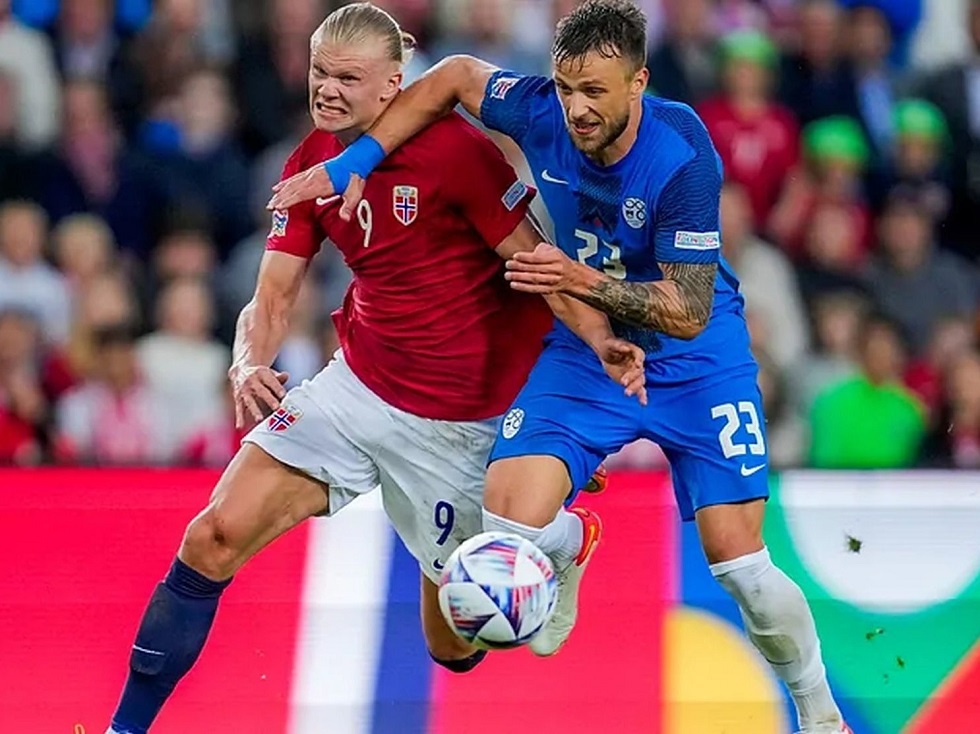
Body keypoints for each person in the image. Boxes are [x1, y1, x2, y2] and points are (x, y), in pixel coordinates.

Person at [269, 1, 852, 731]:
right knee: (504, 517)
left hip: (697, 362)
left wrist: (575, 279)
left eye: (595, 92)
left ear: (639, 82)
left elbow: (686, 310)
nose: (576, 109)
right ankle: (569, 546)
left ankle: (820, 715)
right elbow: (452, 75)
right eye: (567, 87)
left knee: (742, 568)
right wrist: (353, 160)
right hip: (587, 351)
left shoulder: (681, 153)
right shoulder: (539, 108)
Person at [105, 5, 644, 734]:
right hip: (358, 390)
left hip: (465, 423)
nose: (326, 89)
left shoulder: (455, 153)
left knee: (455, 646)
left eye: (347, 77)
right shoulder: (310, 162)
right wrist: (247, 360)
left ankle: (562, 541)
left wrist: (600, 346)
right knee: (212, 537)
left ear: (394, 83)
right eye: (318, 72)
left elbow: (536, 264)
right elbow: (274, 294)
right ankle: (123, 728)